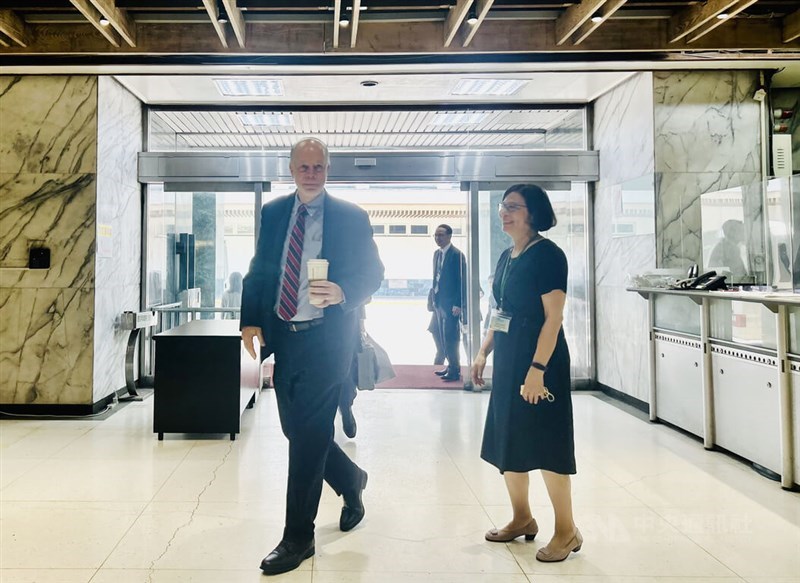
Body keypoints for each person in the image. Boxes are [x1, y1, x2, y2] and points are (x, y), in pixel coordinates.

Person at [240, 137, 384, 576]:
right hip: (286, 335)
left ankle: (298, 536)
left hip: (327, 340)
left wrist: (344, 292)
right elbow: (262, 267)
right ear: (290, 168)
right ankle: (350, 480)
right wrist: (250, 318)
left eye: (318, 166)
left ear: (327, 169)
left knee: (307, 436)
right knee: (296, 429)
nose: (310, 173)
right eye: (303, 166)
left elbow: (374, 274)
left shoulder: (350, 217)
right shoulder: (273, 212)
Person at [471, 184, 581, 563]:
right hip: (509, 360)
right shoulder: (507, 256)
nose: (505, 213)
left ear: (533, 213)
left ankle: (567, 531)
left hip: (540, 361)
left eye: (513, 207)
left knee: (548, 444)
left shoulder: (548, 255)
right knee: (509, 440)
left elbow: (554, 319)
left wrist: (538, 370)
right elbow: (500, 312)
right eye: (503, 207)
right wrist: (484, 350)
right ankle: (522, 518)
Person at [430, 224, 466, 382]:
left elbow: (461, 281)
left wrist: (458, 304)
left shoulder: (457, 255)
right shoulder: (437, 254)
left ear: (450, 236)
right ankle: (450, 365)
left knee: (452, 337)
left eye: (441, 235)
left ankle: (455, 369)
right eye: (436, 235)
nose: (438, 238)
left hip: (451, 304)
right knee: (442, 336)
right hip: (439, 302)